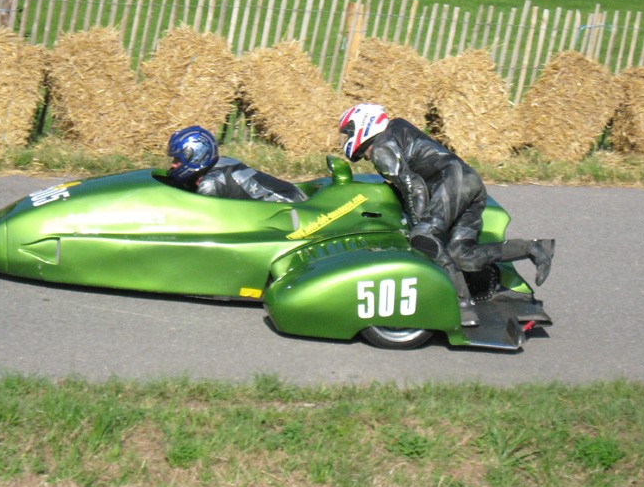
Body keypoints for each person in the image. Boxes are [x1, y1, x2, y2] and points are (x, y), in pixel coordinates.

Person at [338, 103, 553, 327]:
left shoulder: (381, 150)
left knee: (423, 238)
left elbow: (414, 186)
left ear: (363, 125)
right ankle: (534, 248)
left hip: (452, 184)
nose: (347, 140)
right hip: (469, 181)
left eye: (348, 133)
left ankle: (461, 305)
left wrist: (418, 225)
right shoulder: (397, 128)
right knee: (462, 256)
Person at [166, 125, 307, 203]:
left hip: (290, 207)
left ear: (196, 156)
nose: (173, 165)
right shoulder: (222, 163)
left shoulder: (210, 184)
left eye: (177, 160)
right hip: (292, 195)